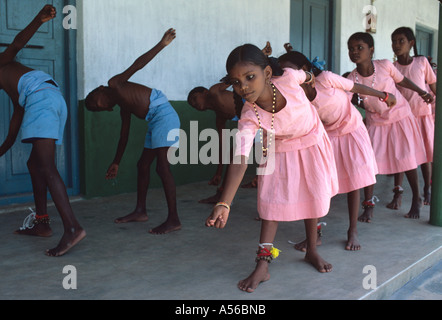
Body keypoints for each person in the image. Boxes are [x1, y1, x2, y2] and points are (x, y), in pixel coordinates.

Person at [205, 44, 339, 293]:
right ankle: (262, 265)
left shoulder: (287, 78)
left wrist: (311, 81)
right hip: (279, 150)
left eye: (250, 77)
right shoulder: (249, 114)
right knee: (271, 206)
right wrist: (224, 202)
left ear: (267, 73)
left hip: (311, 142)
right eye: (236, 82)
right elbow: (240, 158)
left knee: (314, 196)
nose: (243, 86)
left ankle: (311, 250)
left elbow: (307, 76)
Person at [278, 49, 396, 250]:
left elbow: (356, 87)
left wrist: (383, 95)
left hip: (352, 130)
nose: (286, 77)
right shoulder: (297, 98)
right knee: (319, 184)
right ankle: (315, 234)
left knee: (354, 181)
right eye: (282, 74)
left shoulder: (326, 79)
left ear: (304, 70)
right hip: (328, 137)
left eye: (289, 71)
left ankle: (352, 231)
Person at [0, 5, 85, 256]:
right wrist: (4, 147)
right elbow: (18, 112)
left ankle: (72, 228)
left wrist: (39, 19)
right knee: (34, 164)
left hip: (43, 100)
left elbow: (16, 43)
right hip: (52, 99)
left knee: (46, 167)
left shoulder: (3, 63)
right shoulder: (14, 83)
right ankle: (42, 223)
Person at [85, 28, 181, 234]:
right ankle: (140, 211)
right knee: (143, 164)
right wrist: (116, 162)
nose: (98, 105)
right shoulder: (123, 105)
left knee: (162, 167)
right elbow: (124, 135)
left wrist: (161, 44)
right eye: (97, 108)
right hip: (154, 120)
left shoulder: (116, 84)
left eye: (95, 99)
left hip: (164, 115)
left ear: (102, 88)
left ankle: (173, 219)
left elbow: (137, 65)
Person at [346, 32, 433, 221]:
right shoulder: (351, 79)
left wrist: (421, 92)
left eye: (360, 47)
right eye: (351, 48)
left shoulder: (385, 65)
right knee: (371, 164)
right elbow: (353, 101)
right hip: (376, 122)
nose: (354, 52)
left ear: (371, 50)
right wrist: (365, 105)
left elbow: (403, 81)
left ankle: (416, 199)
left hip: (400, 117)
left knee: (407, 159)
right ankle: (368, 205)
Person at [388, 27, 437, 208]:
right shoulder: (392, 68)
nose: (397, 45)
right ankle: (398, 193)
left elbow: (432, 84)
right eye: (394, 41)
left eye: (401, 41)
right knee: (403, 157)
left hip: (422, 115)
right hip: (403, 120)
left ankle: (427, 190)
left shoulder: (422, 62)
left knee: (425, 157)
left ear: (411, 44)